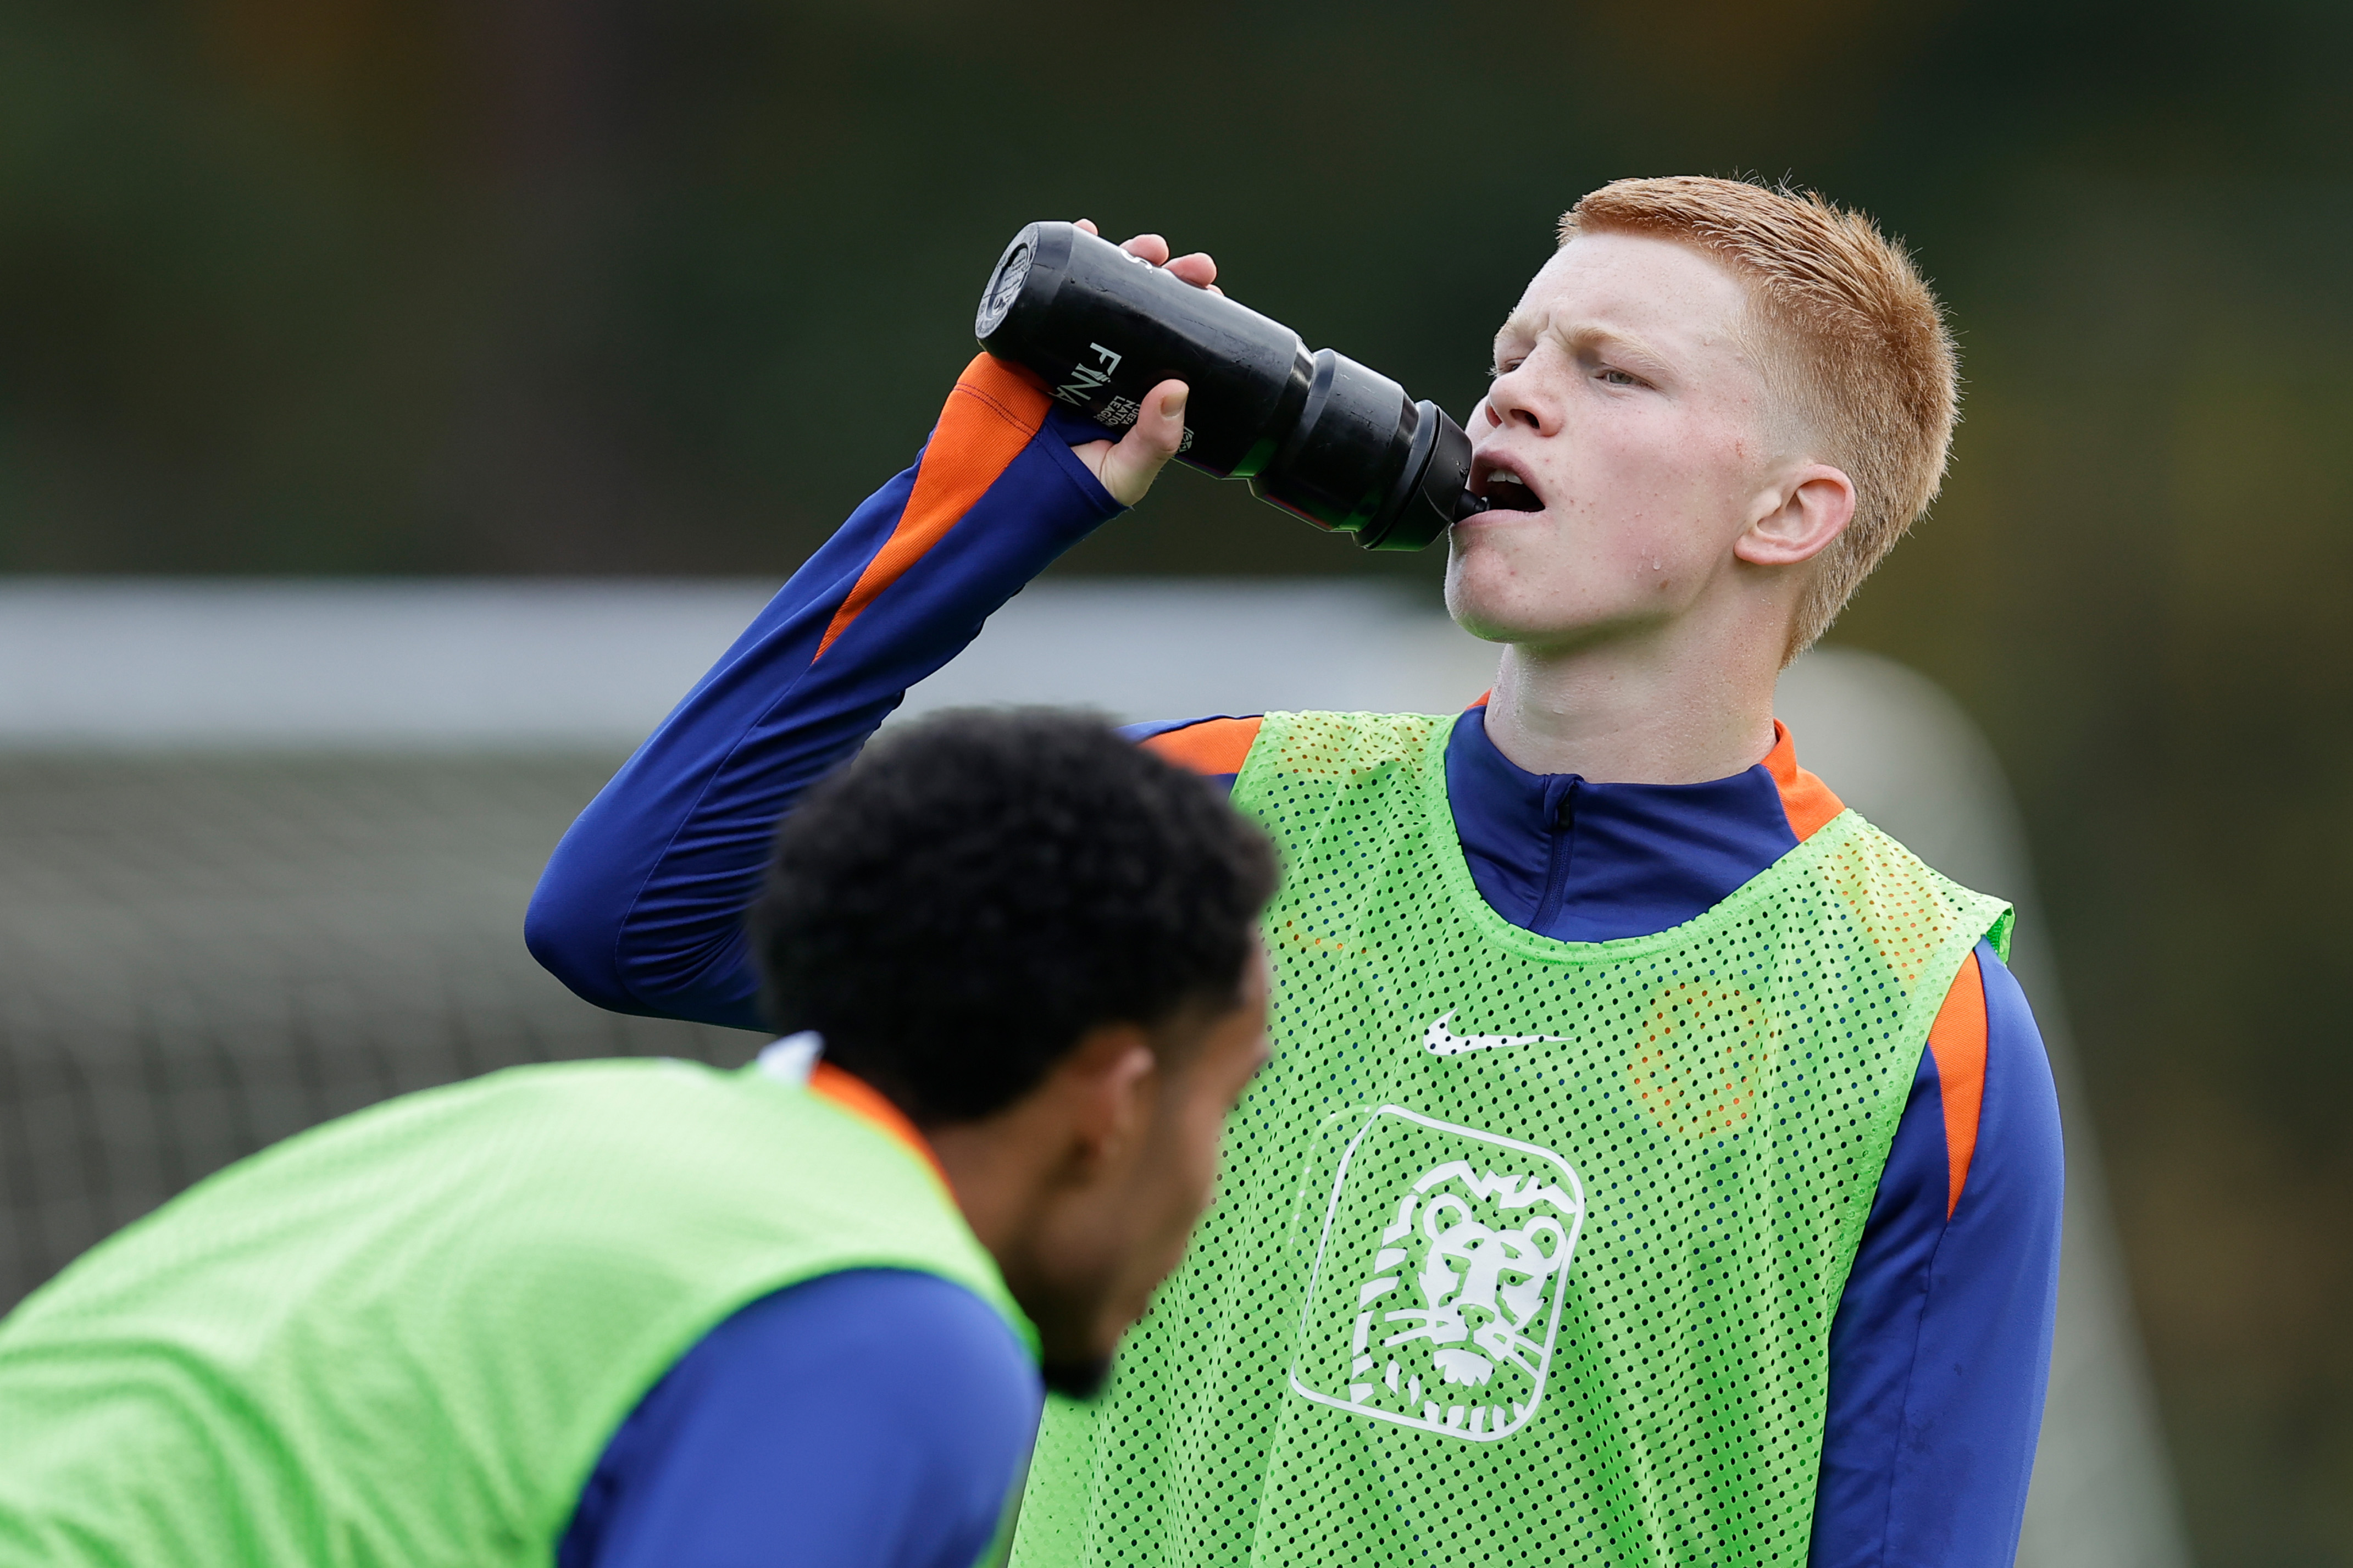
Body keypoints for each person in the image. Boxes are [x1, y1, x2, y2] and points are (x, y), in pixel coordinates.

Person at [526, 177, 2066, 1567]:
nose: (1519, 396)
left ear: (1790, 511)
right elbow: (640, 913)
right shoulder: (1218, 819)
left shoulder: (1922, 1027)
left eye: (1613, 372)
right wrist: (981, 510)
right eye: (1516, 354)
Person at [0, 710, 1277, 1568]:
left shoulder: (568, 1124)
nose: (1214, 1171)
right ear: (1110, 1105)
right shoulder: (898, 1325)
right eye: (1223, 1102)